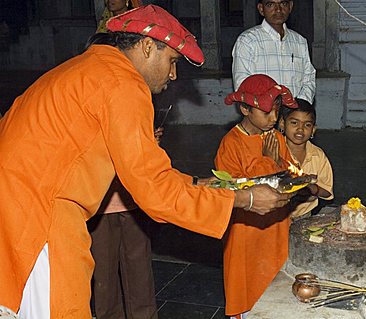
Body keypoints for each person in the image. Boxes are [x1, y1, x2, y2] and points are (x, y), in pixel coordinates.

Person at [0, 5, 293, 319]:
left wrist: (197, 185)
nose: (173, 74)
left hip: (22, 202)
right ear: (147, 45)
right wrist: (244, 199)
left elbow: (142, 170)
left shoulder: (93, 67)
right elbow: (154, 190)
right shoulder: (123, 84)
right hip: (41, 215)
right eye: (172, 61)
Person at [89, 1, 158, 318]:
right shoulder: (88, 98)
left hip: (132, 199)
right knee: (102, 278)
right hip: (99, 202)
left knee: (139, 271)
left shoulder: (135, 94)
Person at [215, 74, 298, 319]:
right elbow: (235, 189)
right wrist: (266, 162)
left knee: (277, 283)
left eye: (277, 111)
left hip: (276, 228)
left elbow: (290, 175)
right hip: (246, 232)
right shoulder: (230, 143)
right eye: (266, 113)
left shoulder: (276, 139)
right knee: (247, 285)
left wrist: (278, 163)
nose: (274, 119)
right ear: (245, 109)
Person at [232, 0, 316, 104]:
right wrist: (269, 112)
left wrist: (296, 109)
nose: (278, 9)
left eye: (283, 3)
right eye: (270, 4)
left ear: (290, 6)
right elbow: (242, 85)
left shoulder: (299, 41)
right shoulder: (248, 41)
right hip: (263, 116)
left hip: (294, 115)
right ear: (261, 9)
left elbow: (309, 79)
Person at [279, 98, 334, 220]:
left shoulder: (318, 156)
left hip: (304, 216)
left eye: (307, 125)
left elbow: (328, 192)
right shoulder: (275, 150)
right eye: (294, 123)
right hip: (276, 216)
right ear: (282, 124)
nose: (300, 129)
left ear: (313, 130)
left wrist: (312, 189)